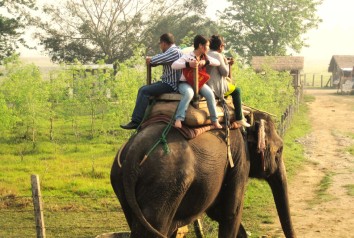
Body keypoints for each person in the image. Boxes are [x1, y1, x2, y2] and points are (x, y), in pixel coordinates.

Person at [120, 33, 183, 130]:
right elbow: (159, 59)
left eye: (160, 44)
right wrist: (153, 61)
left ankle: (136, 121)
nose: (160, 47)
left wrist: (150, 59)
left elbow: (154, 60)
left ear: (164, 43)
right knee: (142, 89)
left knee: (144, 91)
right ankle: (140, 118)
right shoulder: (171, 52)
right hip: (166, 82)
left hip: (170, 84)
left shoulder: (174, 52)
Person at [171, 35, 222, 129]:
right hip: (185, 83)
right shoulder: (187, 56)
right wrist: (188, 64)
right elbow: (174, 65)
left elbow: (217, 62)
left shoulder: (205, 57)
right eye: (207, 46)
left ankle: (214, 120)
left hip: (199, 83)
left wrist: (206, 62)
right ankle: (178, 119)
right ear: (200, 46)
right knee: (189, 93)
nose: (208, 48)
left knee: (210, 94)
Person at [206, 35, 250, 127]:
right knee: (237, 91)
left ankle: (240, 110)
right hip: (215, 86)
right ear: (220, 46)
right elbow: (225, 73)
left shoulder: (207, 52)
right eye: (223, 46)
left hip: (207, 84)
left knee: (231, 85)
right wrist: (226, 62)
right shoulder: (218, 55)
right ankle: (239, 118)